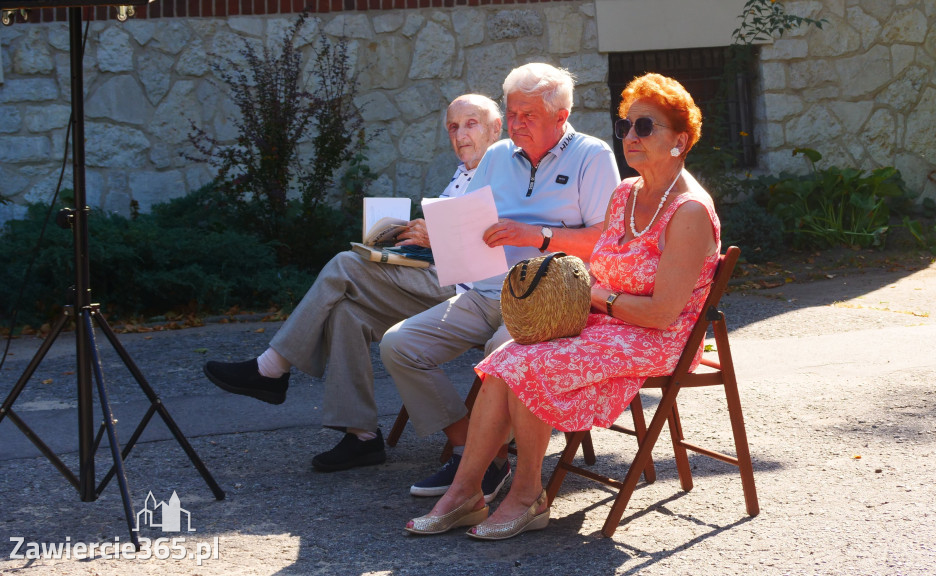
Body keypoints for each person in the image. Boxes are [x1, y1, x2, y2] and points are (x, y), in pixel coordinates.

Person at [404, 72, 721, 540]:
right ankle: (466, 491)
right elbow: (600, 267)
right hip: (605, 323)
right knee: (506, 358)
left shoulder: (689, 211)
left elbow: (661, 315)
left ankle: (528, 494)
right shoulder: (626, 194)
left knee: (531, 366)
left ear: (681, 139)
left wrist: (593, 296)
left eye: (645, 128)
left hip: (657, 339)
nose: (630, 138)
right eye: (626, 127)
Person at [202, 94, 504, 476]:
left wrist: (437, 237)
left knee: (345, 265)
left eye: (471, 124)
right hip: (437, 279)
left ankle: (271, 368)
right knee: (347, 311)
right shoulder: (462, 172)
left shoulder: (502, 168)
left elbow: (495, 243)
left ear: (496, 127)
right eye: (452, 127)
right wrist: (408, 238)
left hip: (471, 295)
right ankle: (362, 435)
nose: (460, 134)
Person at [379, 63, 620, 500]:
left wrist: (537, 235)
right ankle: (470, 448)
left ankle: (483, 462)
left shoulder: (593, 155)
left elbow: (607, 241)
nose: (515, 124)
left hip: (552, 299)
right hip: (487, 289)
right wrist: (444, 236)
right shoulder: (495, 156)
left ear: (561, 117)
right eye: (511, 114)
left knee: (500, 353)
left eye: (528, 115)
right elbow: (470, 226)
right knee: (400, 345)